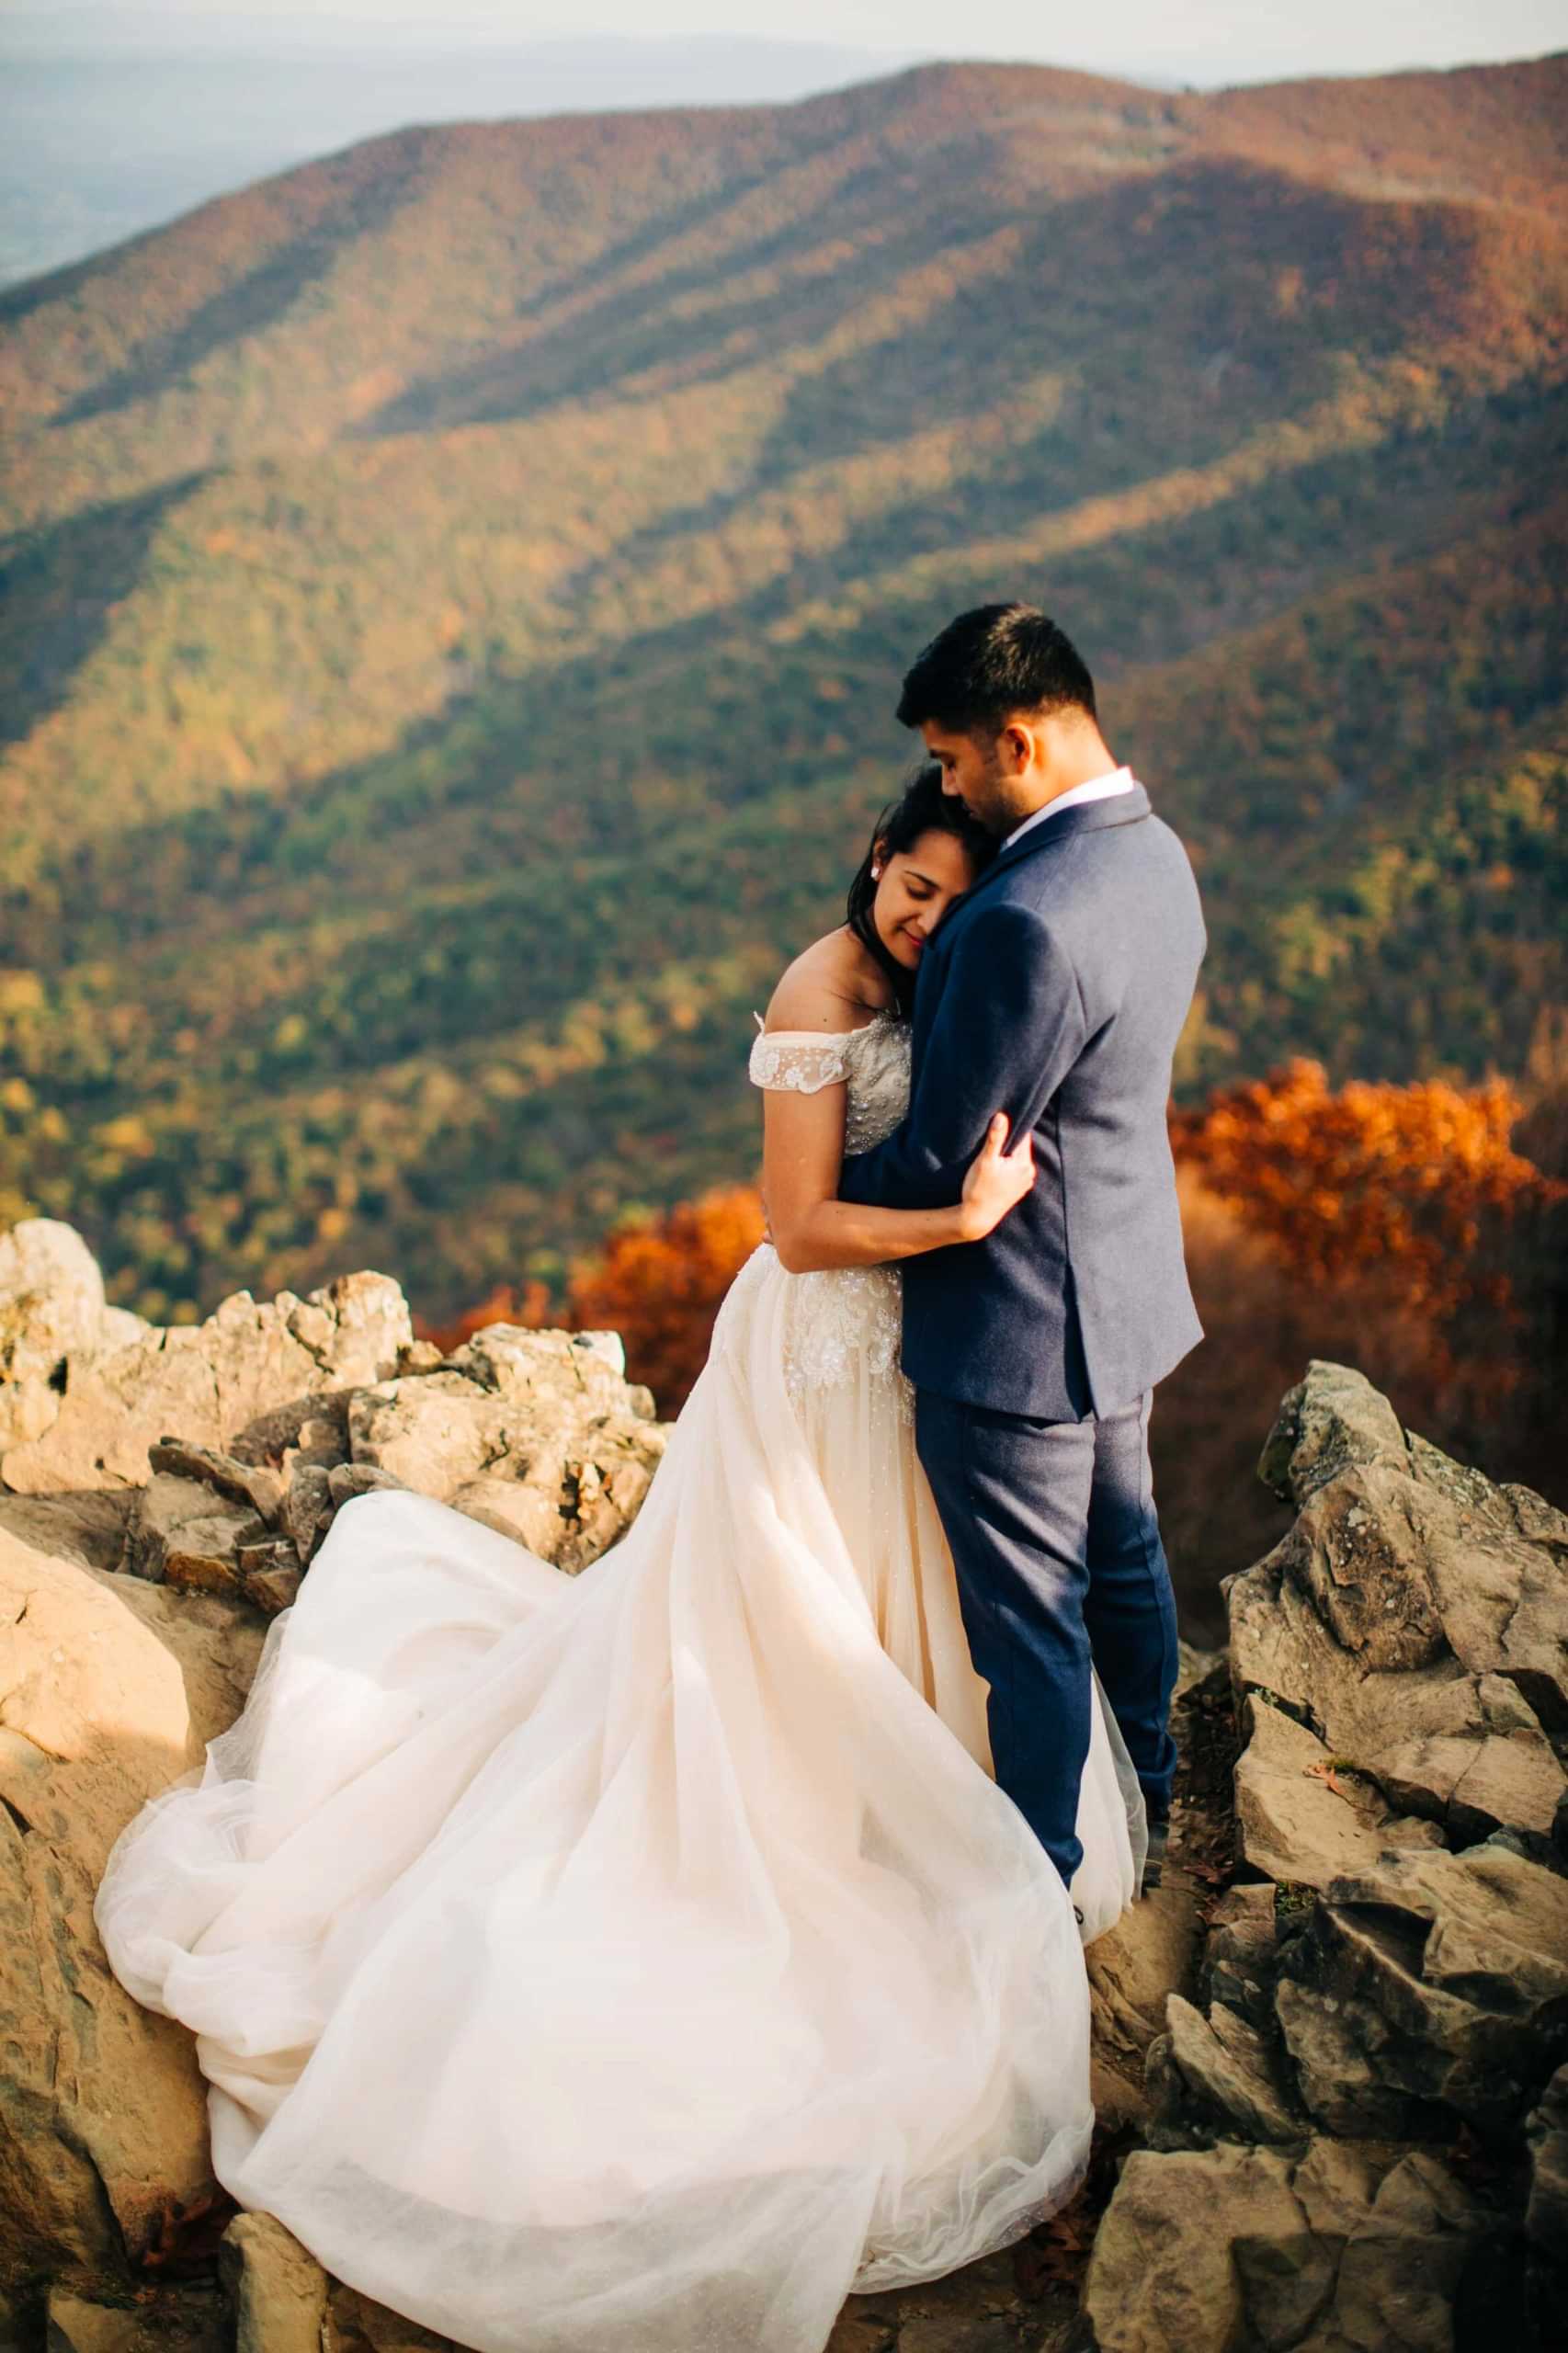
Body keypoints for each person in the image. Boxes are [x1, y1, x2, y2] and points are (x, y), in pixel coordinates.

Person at [92, 761, 1147, 2353]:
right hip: (813, 1353)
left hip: (901, 1367)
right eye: (903, 884)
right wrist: (959, 1222)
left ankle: (888, 1803)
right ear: (868, 862)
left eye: (951, 893)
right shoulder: (820, 984)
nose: (921, 916)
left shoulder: (967, 969)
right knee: (776, 1622)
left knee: (884, 1606)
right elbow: (795, 1227)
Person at [835, 603, 1208, 1897]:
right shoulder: (1153, 855)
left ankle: (1045, 1882)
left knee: (1028, 1624)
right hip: (1123, 1290)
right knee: (1125, 1557)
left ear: (1016, 741)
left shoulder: (1020, 919)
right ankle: (1148, 1793)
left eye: (951, 761)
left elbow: (941, 1158)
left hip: (1012, 1331)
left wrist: (809, 1186)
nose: (943, 787)